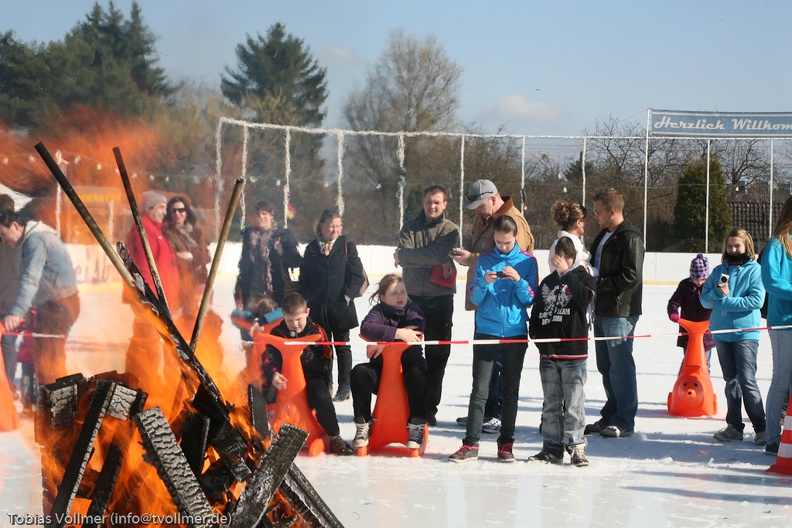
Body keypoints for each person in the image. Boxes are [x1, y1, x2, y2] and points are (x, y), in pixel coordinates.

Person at [449, 215, 538, 463]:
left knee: (510, 391)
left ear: (515, 238)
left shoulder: (528, 261)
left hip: (515, 332)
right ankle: (470, 444)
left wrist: (519, 281)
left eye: (507, 242)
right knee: (479, 390)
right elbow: (475, 299)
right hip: (486, 330)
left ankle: (506, 444)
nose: (503, 246)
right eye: (499, 242)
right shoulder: (485, 260)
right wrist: (485, 283)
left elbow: (530, 298)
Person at [394, 185, 460, 425]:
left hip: (440, 298)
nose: (432, 206)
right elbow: (418, 254)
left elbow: (436, 256)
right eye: (429, 201)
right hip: (411, 298)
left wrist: (407, 256)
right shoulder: (409, 227)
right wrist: (413, 255)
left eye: (437, 202)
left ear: (445, 205)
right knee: (408, 353)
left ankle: (429, 408)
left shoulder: (451, 229)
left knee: (437, 354)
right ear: (423, 202)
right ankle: (411, 404)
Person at [528, 237, 595, 466]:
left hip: (573, 355)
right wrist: (538, 339)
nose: (561, 261)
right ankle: (552, 448)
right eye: (558, 256)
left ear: (573, 258)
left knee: (574, 404)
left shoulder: (582, 277)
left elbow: (584, 298)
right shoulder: (546, 282)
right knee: (551, 405)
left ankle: (576, 446)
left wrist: (567, 274)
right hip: (548, 355)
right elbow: (536, 313)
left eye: (567, 256)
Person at [261, 293, 354, 456]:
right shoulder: (276, 332)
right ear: (283, 315)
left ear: (307, 312)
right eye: (290, 320)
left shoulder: (317, 331)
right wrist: (274, 375)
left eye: (298, 319)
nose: (294, 324)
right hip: (284, 376)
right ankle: (263, 431)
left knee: (322, 396)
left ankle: (334, 436)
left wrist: (309, 358)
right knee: (259, 389)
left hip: (312, 376)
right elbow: (268, 358)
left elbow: (326, 360)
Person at [584, 188, 644, 438]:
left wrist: (598, 283)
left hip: (620, 310)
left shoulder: (629, 237)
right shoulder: (604, 235)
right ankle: (611, 414)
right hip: (602, 308)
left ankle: (625, 420)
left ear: (612, 211)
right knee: (606, 366)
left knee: (621, 366)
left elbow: (631, 275)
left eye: (598, 211)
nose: (595, 216)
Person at [700, 228, 767, 445]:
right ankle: (734, 426)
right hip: (721, 333)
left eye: (737, 246)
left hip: (745, 333)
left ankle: (761, 427)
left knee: (747, 380)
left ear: (747, 246)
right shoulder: (720, 270)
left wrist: (725, 301)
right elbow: (704, 299)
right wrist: (718, 294)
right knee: (731, 381)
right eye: (729, 246)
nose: (733, 249)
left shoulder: (755, 270)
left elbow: (756, 301)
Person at [0, 210, 80, 386]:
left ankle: (58, 407)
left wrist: (16, 311)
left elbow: (30, 279)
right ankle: (50, 404)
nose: (3, 241)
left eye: (3, 234)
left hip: (60, 304)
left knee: (50, 358)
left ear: (15, 225)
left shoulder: (36, 240)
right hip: (55, 303)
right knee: (43, 355)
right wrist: (28, 309)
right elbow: (44, 279)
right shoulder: (37, 237)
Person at [350, 274, 429, 450]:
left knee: (419, 374)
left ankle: (416, 426)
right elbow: (367, 328)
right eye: (394, 293)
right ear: (383, 297)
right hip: (382, 374)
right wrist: (398, 333)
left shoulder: (414, 310)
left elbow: (415, 331)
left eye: (403, 292)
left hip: (408, 371)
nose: (400, 296)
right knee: (359, 372)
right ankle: (363, 425)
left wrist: (383, 344)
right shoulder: (378, 311)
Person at [299, 209, 366, 402]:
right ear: (321, 226)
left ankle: (345, 386)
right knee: (323, 349)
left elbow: (357, 275)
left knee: (343, 347)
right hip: (318, 308)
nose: (335, 230)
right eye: (331, 226)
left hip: (340, 308)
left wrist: (347, 296)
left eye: (338, 226)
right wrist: (308, 300)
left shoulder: (347, 246)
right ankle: (326, 384)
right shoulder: (312, 248)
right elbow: (304, 278)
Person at [123, 190, 181, 384]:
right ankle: (146, 383)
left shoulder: (156, 230)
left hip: (162, 299)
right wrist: (149, 300)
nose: (166, 211)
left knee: (156, 343)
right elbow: (143, 268)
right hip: (152, 300)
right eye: (162, 207)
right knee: (150, 344)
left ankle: (148, 381)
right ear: (149, 209)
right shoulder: (143, 231)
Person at [762, 196, 792, 457]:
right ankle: (772, 438)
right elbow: (772, 282)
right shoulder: (776, 246)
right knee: (782, 380)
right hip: (784, 324)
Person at [235, 200, 302, 310]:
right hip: (253, 293)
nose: (260, 217)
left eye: (264, 214)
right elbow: (244, 266)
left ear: (271, 215)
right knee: (254, 325)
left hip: (276, 293)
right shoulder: (249, 236)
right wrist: (240, 291)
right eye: (257, 214)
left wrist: (282, 253)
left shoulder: (283, 235)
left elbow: (296, 262)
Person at [163, 196, 211, 318]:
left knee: (201, 318)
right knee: (183, 319)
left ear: (187, 212)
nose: (177, 214)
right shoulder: (168, 234)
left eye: (181, 210)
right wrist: (186, 258)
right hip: (181, 284)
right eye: (173, 211)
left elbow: (207, 256)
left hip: (200, 282)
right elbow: (172, 258)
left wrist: (191, 257)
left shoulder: (197, 232)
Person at [667, 253, 714, 372]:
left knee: (704, 364)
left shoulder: (711, 286)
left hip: (706, 333)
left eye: (703, 279)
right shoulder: (684, 285)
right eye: (696, 279)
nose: (699, 282)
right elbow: (674, 302)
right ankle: (682, 386)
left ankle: (703, 388)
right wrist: (673, 312)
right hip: (688, 332)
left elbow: (719, 304)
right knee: (688, 362)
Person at [0, 195, 21, 391]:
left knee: (7, 345)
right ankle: (8, 388)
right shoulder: (18, 234)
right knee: (8, 345)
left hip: (4, 300)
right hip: (13, 302)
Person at [547, 199, 597, 276]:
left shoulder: (559, 242)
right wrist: (595, 271)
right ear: (579, 223)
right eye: (586, 221)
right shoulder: (570, 244)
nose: (588, 224)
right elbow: (577, 273)